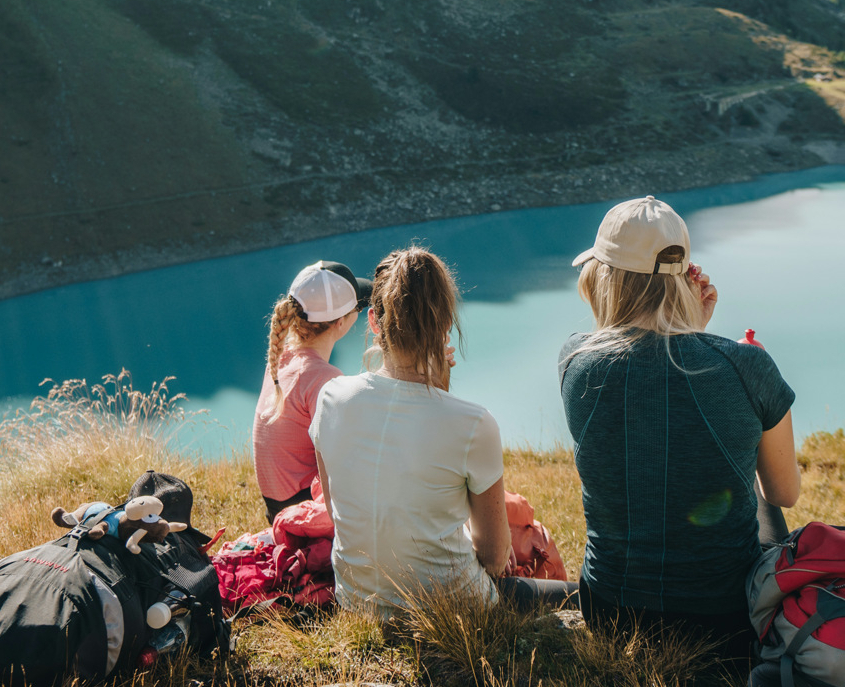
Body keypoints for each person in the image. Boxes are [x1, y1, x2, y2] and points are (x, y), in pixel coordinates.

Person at [559, 196, 801, 661]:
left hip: (610, 614)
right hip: (725, 623)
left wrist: (689, 330)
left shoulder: (574, 360)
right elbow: (785, 492)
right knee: (748, 479)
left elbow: (645, 374)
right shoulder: (746, 364)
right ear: (684, 277)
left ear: (603, 277)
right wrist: (700, 332)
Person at [309, 246, 575, 619]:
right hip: (449, 607)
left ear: (373, 321)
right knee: (583, 598)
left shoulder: (330, 399)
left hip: (357, 600)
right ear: (445, 321)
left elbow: (337, 511)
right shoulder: (472, 423)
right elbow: (496, 559)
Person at [252, 260, 368, 521]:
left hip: (279, 509)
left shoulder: (281, 357)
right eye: (358, 308)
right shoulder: (324, 378)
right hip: (305, 514)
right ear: (341, 323)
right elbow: (345, 460)